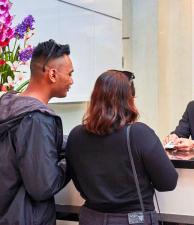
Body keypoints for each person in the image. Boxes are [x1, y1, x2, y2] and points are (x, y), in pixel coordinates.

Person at [66, 70, 178, 225]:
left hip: (91, 218)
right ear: (129, 100)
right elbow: (168, 182)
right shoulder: (139, 134)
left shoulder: (76, 135)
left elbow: (78, 182)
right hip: (131, 220)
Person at [0, 39, 73, 225]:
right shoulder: (37, 119)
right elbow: (43, 186)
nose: (72, 80)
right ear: (53, 75)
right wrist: (71, 160)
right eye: (70, 74)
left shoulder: (6, 107)